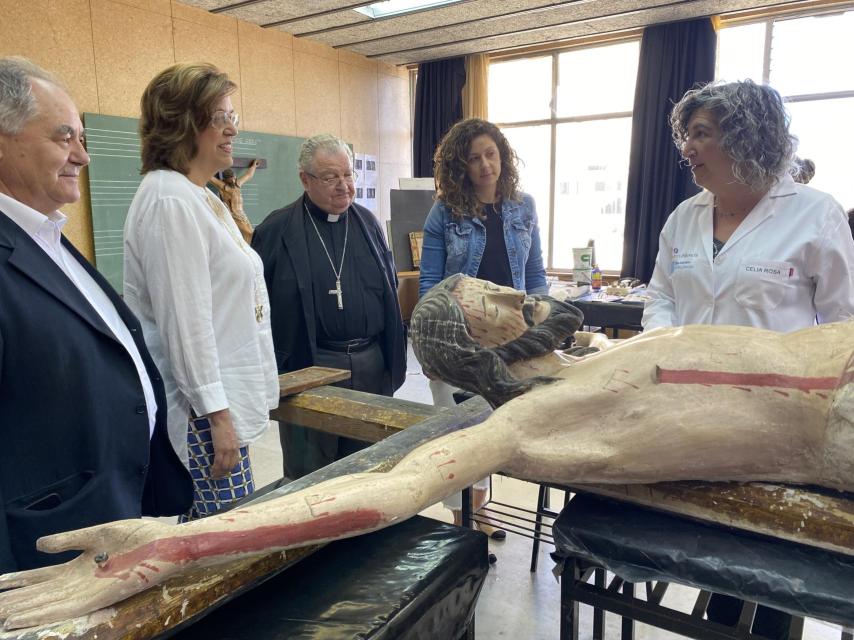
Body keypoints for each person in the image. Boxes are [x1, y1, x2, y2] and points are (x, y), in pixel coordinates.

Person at [1, 274, 852, 629]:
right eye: (484, 295)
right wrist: (171, 543)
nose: (510, 290)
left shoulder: (596, 361)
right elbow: (388, 493)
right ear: (471, 340)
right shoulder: (526, 423)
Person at [642, 79, 854, 637]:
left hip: (776, 423)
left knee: (770, 568)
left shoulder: (816, 216)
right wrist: (663, 344)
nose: (686, 147)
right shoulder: (683, 218)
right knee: (704, 547)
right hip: (684, 411)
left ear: (748, 138)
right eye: (685, 135)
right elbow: (661, 294)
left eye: (701, 134)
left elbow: (843, 330)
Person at [0, 57, 191, 573]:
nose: (82, 156)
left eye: (81, 138)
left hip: (111, 515)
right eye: (64, 138)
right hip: (44, 550)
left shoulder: (43, 237)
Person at [123, 62, 279, 521]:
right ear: (181, 123)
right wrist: (218, 419)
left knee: (224, 537)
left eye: (232, 115)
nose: (232, 128)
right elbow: (186, 324)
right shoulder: (170, 200)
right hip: (203, 419)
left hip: (218, 409)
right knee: (218, 548)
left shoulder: (200, 195)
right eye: (219, 117)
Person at [418, 117, 548, 535]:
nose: (484, 165)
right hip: (458, 338)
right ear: (461, 166)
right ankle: (462, 518)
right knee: (458, 430)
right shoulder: (445, 212)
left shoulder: (523, 206)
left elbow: (535, 274)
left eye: (491, 154)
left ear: (502, 157)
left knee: (493, 425)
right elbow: (430, 284)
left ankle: (480, 508)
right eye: (473, 158)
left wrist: (543, 327)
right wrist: (428, 345)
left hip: (509, 338)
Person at [251, 134, 406, 480]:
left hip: (370, 366)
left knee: (370, 473)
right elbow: (257, 310)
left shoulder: (368, 224)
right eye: (330, 177)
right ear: (305, 180)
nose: (344, 186)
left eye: (348, 175)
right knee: (311, 477)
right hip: (310, 366)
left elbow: (388, 289)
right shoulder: (275, 231)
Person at [209, 159, 260, 243]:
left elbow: (248, 175)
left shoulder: (238, 184)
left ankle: (248, 251)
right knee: (249, 234)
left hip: (242, 216)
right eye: (230, 179)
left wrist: (254, 166)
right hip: (233, 216)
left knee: (248, 235)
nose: (233, 180)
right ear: (226, 180)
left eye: (234, 178)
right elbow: (210, 178)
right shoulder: (223, 187)